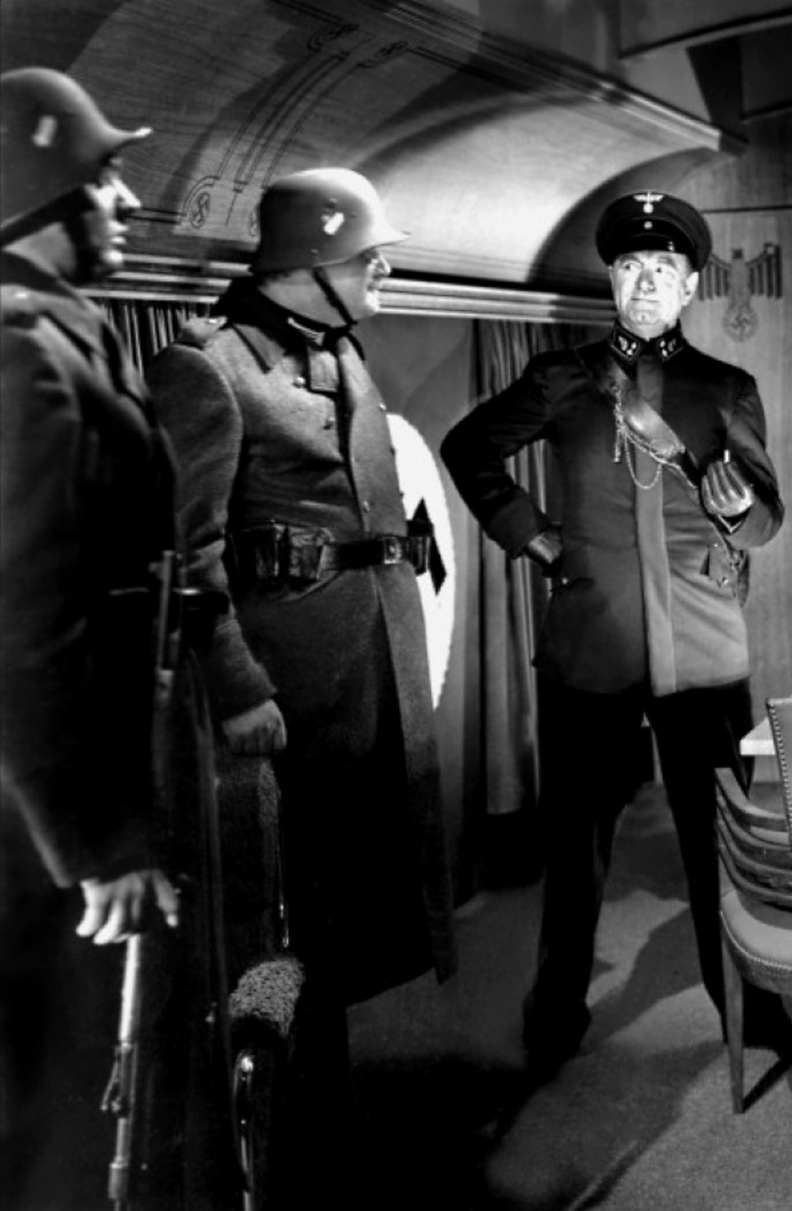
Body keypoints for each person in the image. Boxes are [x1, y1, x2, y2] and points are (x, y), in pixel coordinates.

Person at [145, 166, 458, 1195]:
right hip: (285, 699)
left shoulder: (335, 348)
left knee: (344, 918)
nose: (384, 274)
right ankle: (291, 1153)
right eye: (370, 258)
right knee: (282, 931)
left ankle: (330, 1125)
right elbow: (185, 557)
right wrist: (238, 689)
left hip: (362, 681)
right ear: (309, 263)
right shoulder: (209, 369)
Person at [441, 189, 792, 1081]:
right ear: (611, 280)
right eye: (631, 267)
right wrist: (532, 535)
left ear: (690, 286)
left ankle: (749, 1005)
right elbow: (469, 449)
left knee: (719, 843)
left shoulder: (725, 388)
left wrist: (739, 510)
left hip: (701, 650)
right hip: (591, 645)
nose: (646, 282)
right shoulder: (560, 378)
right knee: (575, 851)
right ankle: (557, 1009)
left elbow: (766, 522)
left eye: (663, 268)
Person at [0, 66, 227, 1208]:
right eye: (104, 176)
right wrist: (94, 843)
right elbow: (19, 620)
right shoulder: (17, 353)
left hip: (93, 781)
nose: (130, 200)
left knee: (112, 1098)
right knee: (62, 1114)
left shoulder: (63, 334)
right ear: (36, 193)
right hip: (44, 825)